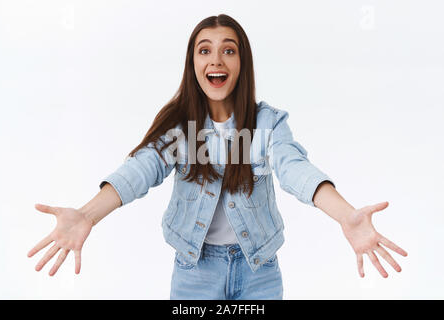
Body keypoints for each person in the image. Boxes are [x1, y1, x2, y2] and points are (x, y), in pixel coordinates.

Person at [27, 14, 407, 300]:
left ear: (242, 63)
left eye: (229, 49)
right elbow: (140, 170)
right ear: (193, 64)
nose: (217, 59)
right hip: (195, 273)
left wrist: (347, 215)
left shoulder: (268, 124)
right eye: (205, 49)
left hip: (259, 271)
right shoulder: (180, 128)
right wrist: (86, 214)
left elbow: (295, 169)